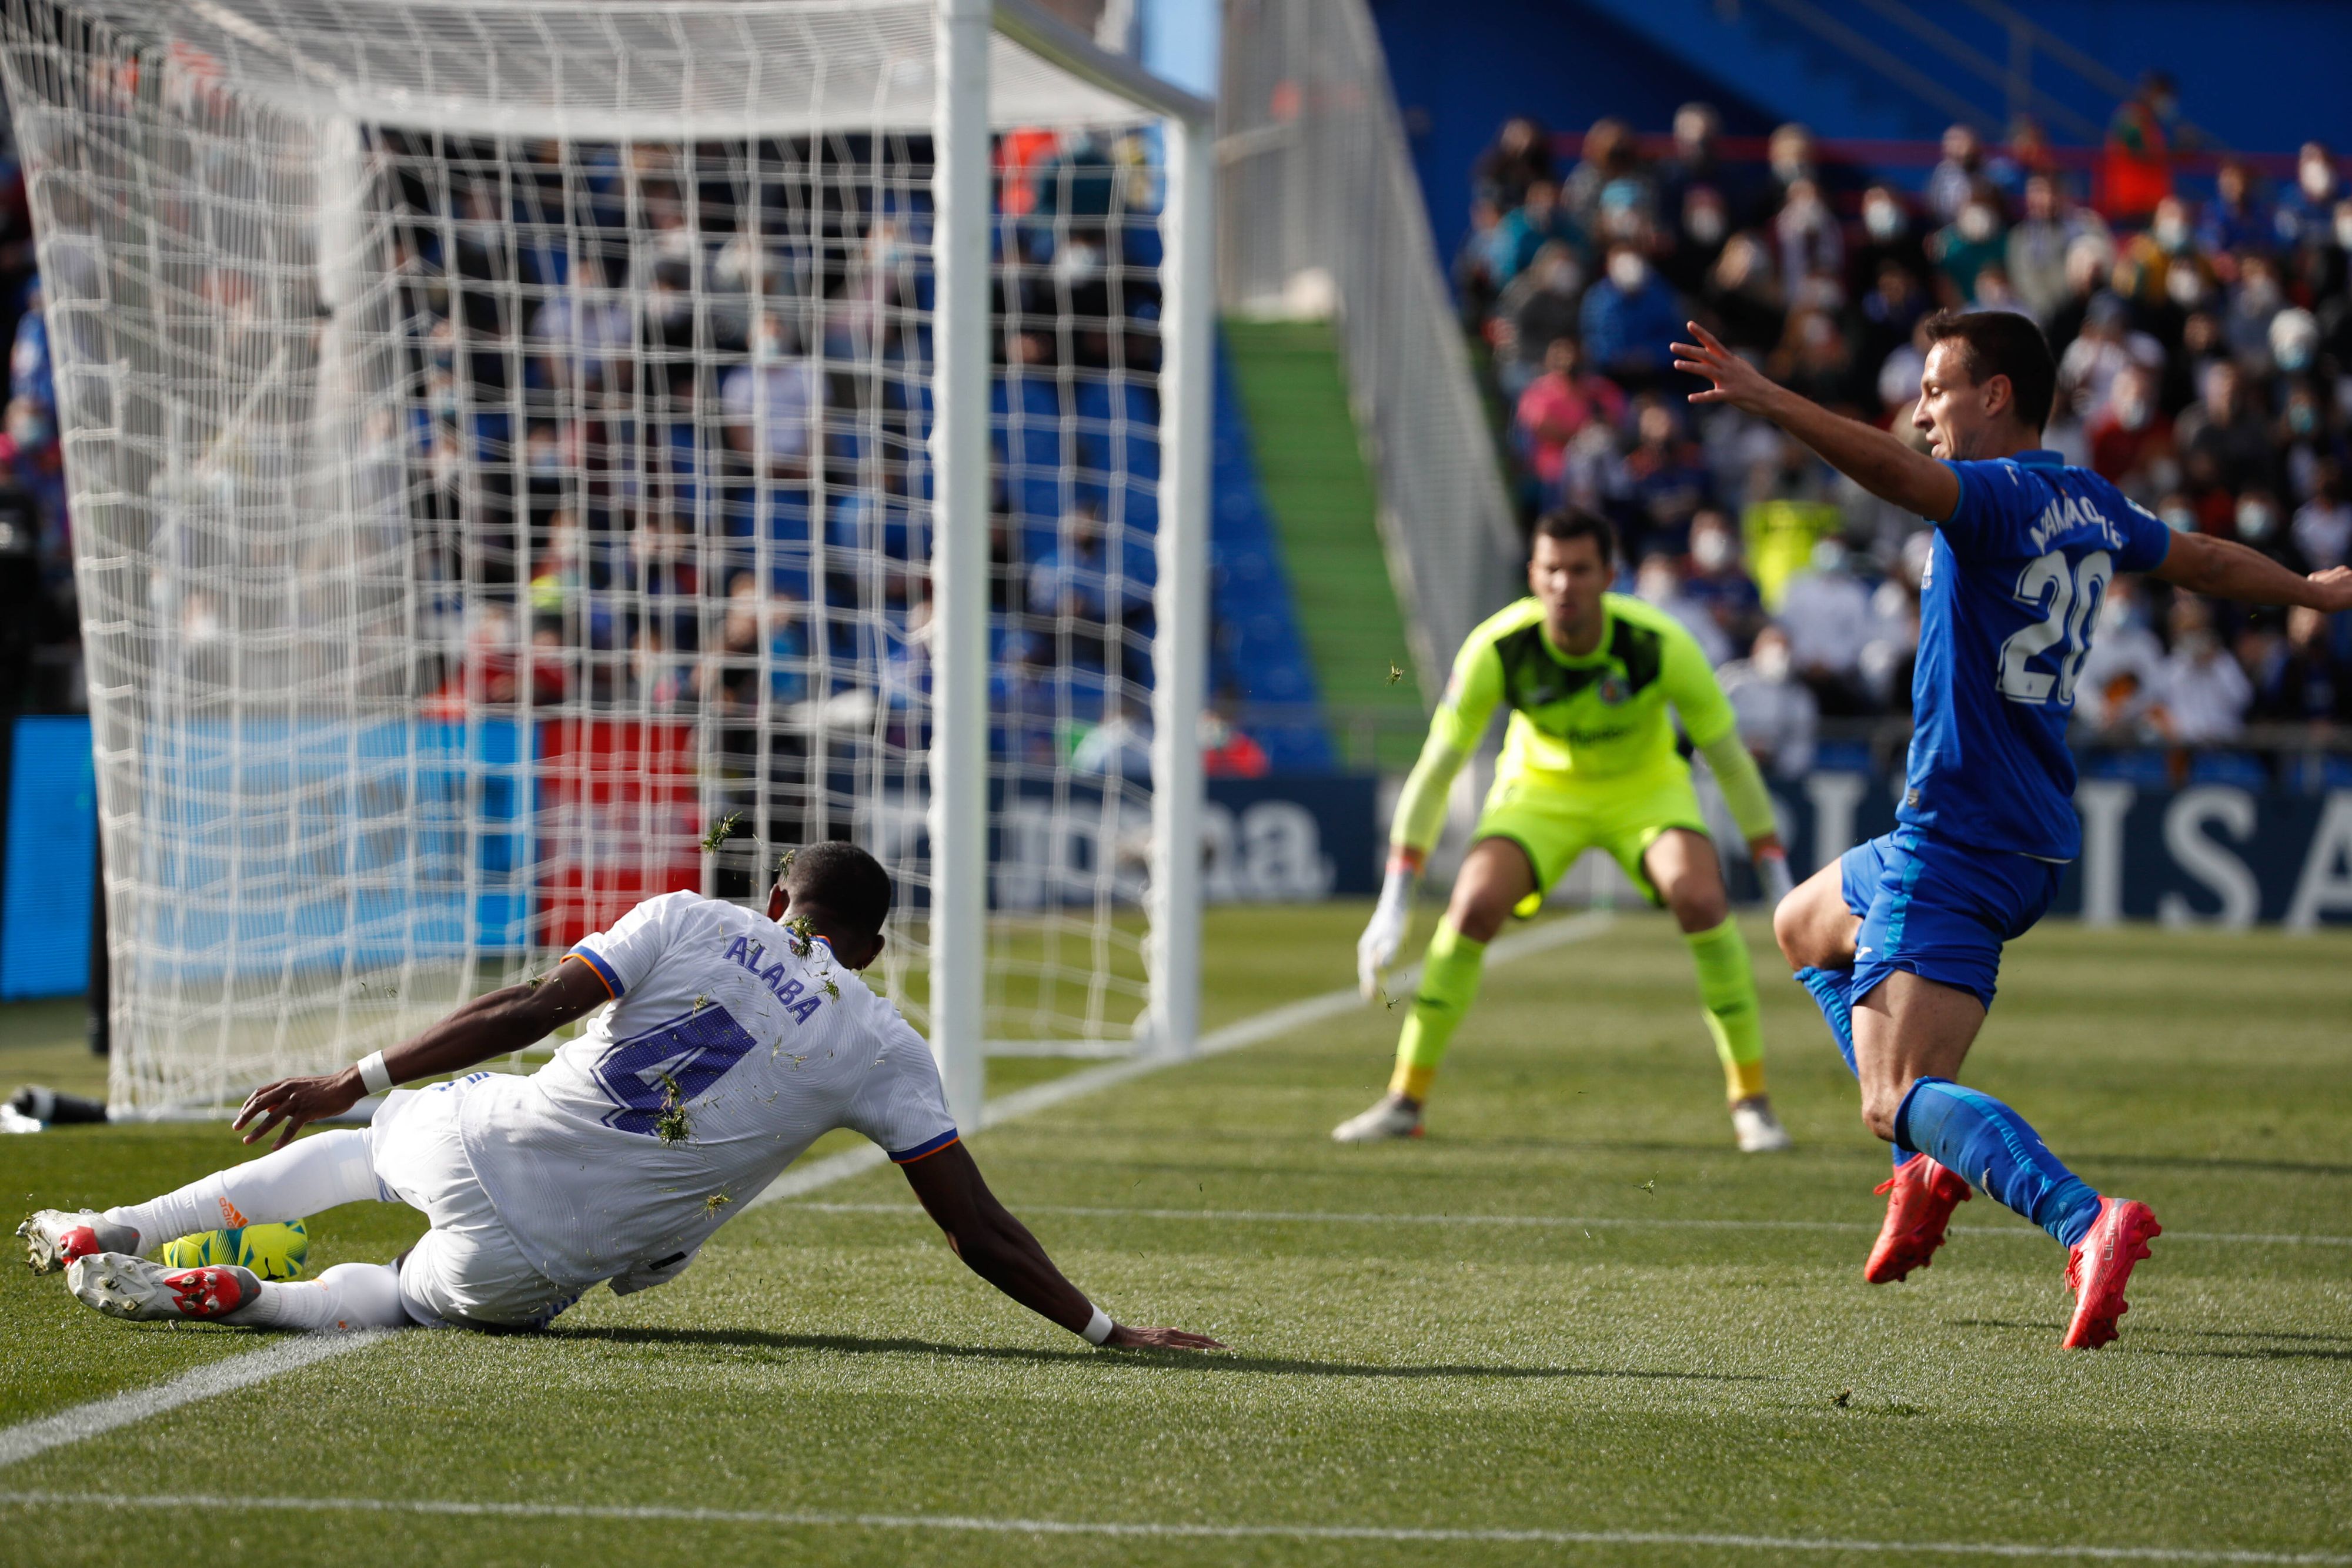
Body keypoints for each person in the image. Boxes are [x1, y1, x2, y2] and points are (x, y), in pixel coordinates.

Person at [1672, 308, 2352, 1348]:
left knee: (1895, 1091)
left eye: (1936, 390)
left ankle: (2083, 1219)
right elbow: (2209, 560)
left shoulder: (1990, 496)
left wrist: (1770, 398)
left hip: (1959, 837)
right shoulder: (2092, 501)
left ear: (1995, 395)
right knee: (1803, 923)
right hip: (2019, 830)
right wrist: (2309, 588)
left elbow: (1892, 475)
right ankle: (1923, 1166)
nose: (1921, 414)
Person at [24, 844, 1222, 1353]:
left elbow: (532, 1006)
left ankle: (113, 1227)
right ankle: (251, 1298)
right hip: (542, 1262)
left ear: (775, 898)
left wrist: (358, 1075)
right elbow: (976, 1227)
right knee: (406, 1301)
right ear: (866, 950)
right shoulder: (886, 1047)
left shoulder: (688, 917)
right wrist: (1102, 1327)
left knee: (359, 1151)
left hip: (482, 1137)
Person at [1338, 509, 1796, 1154]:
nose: (1564, 585)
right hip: (1540, 789)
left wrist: (1780, 881)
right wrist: (1395, 900)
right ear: (1533, 574)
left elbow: (1730, 762)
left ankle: (1752, 1103)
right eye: (1551, 570)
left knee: (1700, 898)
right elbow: (1437, 768)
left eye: (1580, 570)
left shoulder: (1660, 644)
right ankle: (1403, 1100)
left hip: (1644, 789)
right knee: (1472, 906)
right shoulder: (1498, 646)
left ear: (1609, 576)